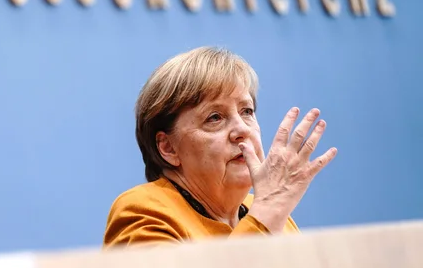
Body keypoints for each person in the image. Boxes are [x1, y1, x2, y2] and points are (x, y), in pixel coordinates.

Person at [103, 46, 337, 247]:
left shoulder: (270, 213)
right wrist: (268, 210)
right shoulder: (143, 211)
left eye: (247, 111)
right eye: (215, 117)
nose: (242, 130)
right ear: (168, 148)